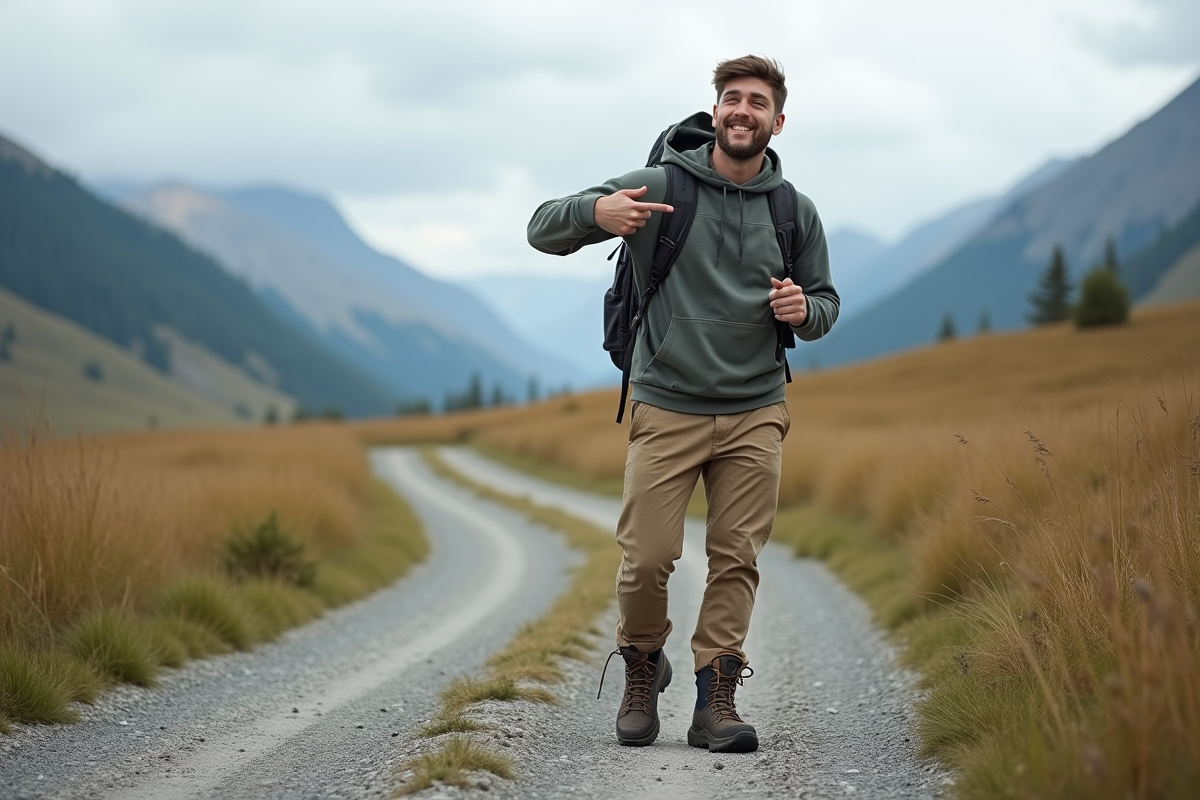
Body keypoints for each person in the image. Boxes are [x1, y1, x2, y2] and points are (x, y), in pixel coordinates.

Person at [526, 55, 839, 753]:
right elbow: (541, 227)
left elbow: (825, 304)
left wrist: (804, 308)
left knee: (736, 559)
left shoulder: (794, 211)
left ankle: (714, 699)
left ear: (777, 121)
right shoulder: (661, 186)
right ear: (716, 110)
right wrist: (596, 212)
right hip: (667, 405)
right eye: (731, 97)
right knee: (647, 558)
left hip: (756, 406)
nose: (742, 110)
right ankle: (643, 666)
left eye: (757, 101)